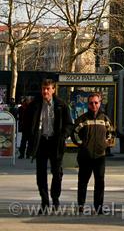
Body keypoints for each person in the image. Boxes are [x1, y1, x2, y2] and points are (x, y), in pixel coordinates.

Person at [24, 78, 73, 211]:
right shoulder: (35, 104)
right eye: (43, 89)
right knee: (41, 174)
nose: (45, 91)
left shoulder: (61, 105)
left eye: (47, 89)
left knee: (57, 172)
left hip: (55, 142)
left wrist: (63, 135)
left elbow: (69, 124)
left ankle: (55, 198)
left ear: (53, 90)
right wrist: (30, 138)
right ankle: (44, 201)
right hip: (41, 142)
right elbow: (27, 124)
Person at [72, 92, 115, 213]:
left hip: (100, 156)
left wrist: (105, 144)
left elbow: (111, 132)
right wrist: (82, 144)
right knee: (83, 181)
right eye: (91, 103)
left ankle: (99, 207)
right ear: (88, 104)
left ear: (100, 103)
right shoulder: (83, 119)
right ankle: (81, 205)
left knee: (100, 182)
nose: (94, 105)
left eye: (96, 103)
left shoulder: (105, 119)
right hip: (85, 156)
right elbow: (74, 133)